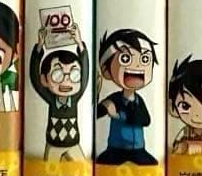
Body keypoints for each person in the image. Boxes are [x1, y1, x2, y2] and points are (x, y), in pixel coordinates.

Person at [96, 28, 157, 165]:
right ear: (106, 71)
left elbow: (145, 120)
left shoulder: (139, 101)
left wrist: (118, 116)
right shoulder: (114, 99)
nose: (137, 66)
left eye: (145, 59)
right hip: (116, 149)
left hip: (138, 149)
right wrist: (98, 97)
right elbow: (98, 113)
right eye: (125, 58)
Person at [29, 22, 89, 161]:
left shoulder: (75, 97)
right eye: (57, 75)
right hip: (53, 145)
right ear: (44, 79)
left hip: (73, 145)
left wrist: (79, 43)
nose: (66, 80)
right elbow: (35, 78)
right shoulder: (51, 98)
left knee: (81, 168)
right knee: (48, 171)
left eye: (74, 74)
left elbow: (85, 74)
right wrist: (39, 47)